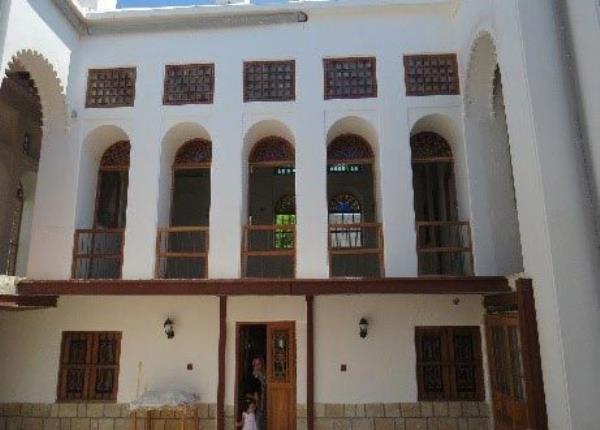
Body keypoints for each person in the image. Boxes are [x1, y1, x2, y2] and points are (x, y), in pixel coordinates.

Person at [245, 357, 266, 430]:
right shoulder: (250, 377)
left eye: (259, 364)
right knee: (256, 425)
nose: (257, 366)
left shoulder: (264, 376)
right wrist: (254, 399)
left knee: (263, 424)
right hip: (255, 405)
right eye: (255, 364)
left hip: (264, 404)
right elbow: (247, 393)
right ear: (253, 366)